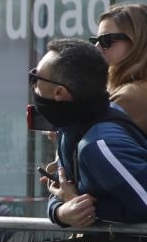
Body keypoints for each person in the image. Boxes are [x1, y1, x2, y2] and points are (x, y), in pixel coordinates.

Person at [37, 38, 147, 229]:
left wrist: (85, 208)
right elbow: (63, 190)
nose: (34, 87)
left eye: (36, 79)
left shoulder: (99, 146)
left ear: (59, 93)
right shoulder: (71, 125)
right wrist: (61, 212)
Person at [97, 3, 147, 131]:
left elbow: (94, 148)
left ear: (137, 41)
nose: (97, 47)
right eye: (95, 41)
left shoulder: (129, 96)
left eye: (106, 40)